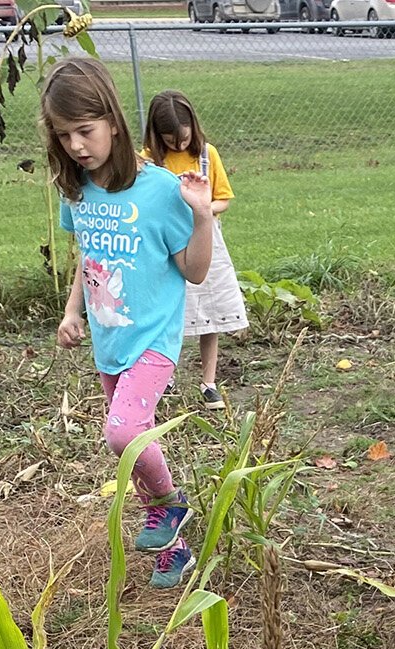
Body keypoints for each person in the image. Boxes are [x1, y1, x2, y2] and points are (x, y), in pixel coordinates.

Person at [44, 57, 212, 589]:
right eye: (63, 135)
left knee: (124, 433)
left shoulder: (161, 190)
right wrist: (73, 311)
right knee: (133, 452)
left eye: (85, 131)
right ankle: (174, 549)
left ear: (113, 121)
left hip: (153, 340)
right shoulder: (77, 188)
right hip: (108, 338)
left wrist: (203, 215)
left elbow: (195, 271)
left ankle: (171, 505)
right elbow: (87, 255)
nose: (75, 145)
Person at [142, 90, 249, 411]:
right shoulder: (148, 160)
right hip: (166, 245)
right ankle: (165, 375)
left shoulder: (207, 155)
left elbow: (223, 199)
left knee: (209, 309)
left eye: (184, 138)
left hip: (205, 240)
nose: (179, 145)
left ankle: (209, 382)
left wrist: (201, 208)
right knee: (168, 310)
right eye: (171, 141)